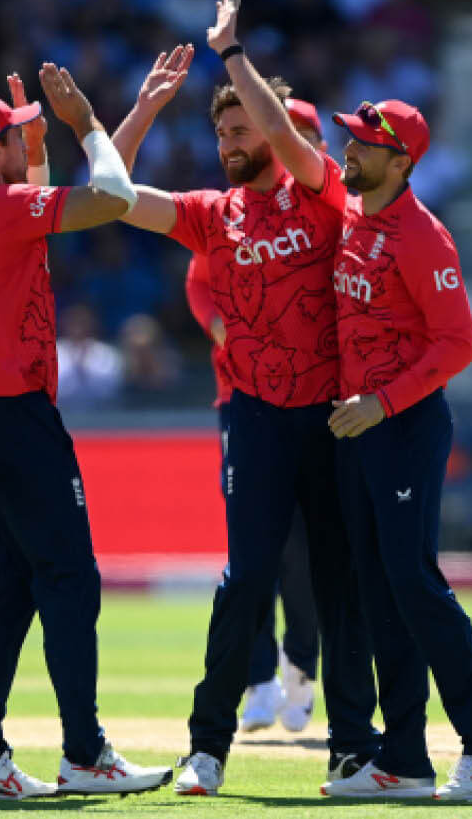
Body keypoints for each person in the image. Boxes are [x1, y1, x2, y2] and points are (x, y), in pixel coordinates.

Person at [206, 0, 472, 802]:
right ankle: (405, 757)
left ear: (403, 162)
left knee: (413, 582)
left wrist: (383, 403)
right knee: (379, 591)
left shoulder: (422, 235)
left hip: (403, 427)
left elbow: (458, 344)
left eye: (365, 143)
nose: (347, 148)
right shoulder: (347, 211)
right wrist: (233, 59)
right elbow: (280, 133)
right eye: (349, 137)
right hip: (357, 430)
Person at [112, 41, 380, 795]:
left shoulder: (324, 193)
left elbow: (287, 136)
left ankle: (353, 749)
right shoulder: (210, 215)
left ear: (271, 130)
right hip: (256, 419)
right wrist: (145, 108)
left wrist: (231, 57)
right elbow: (113, 190)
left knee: (337, 583)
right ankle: (207, 749)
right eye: (221, 133)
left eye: (240, 131)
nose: (228, 144)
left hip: (330, 419)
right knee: (245, 581)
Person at [0, 56, 190, 801]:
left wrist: (46, 144)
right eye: (12, 137)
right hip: (16, 416)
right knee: (69, 578)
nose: (23, 142)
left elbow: (35, 213)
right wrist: (85, 124)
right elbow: (111, 197)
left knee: (4, 584)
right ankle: (84, 751)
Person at [183, 97, 332, 738]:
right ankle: (258, 676)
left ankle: (302, 665)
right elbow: (199, 281)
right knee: (252, 549)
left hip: (314, 398)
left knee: (305, 549)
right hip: (241, 398)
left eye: (307, 136)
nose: (302, 145)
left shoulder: (326, 208)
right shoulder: (233, 212)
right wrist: (222, 327)